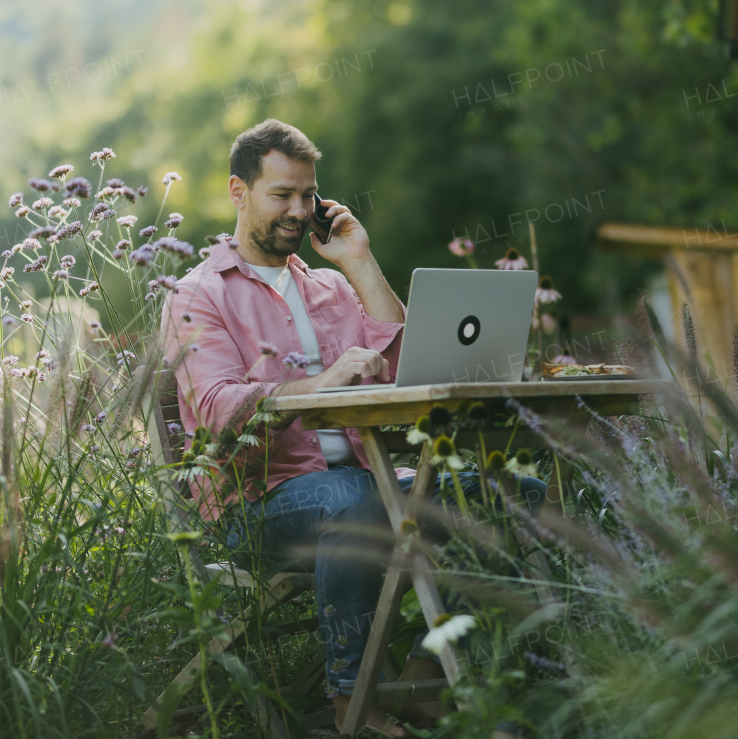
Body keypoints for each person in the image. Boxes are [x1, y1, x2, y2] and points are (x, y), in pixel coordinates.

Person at [161, 119, 543, 736]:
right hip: (258, 504)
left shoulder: (331, 287)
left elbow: (402, 365)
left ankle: (424, 678)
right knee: (351, 498)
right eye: (281, 195)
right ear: (239, 191)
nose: (298, 210)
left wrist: (360, 263)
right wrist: (324, 382)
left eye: (308, 196)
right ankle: (351, 704)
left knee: (509, 497)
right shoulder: (197, 293)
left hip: (371, 481)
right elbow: (217, 411)